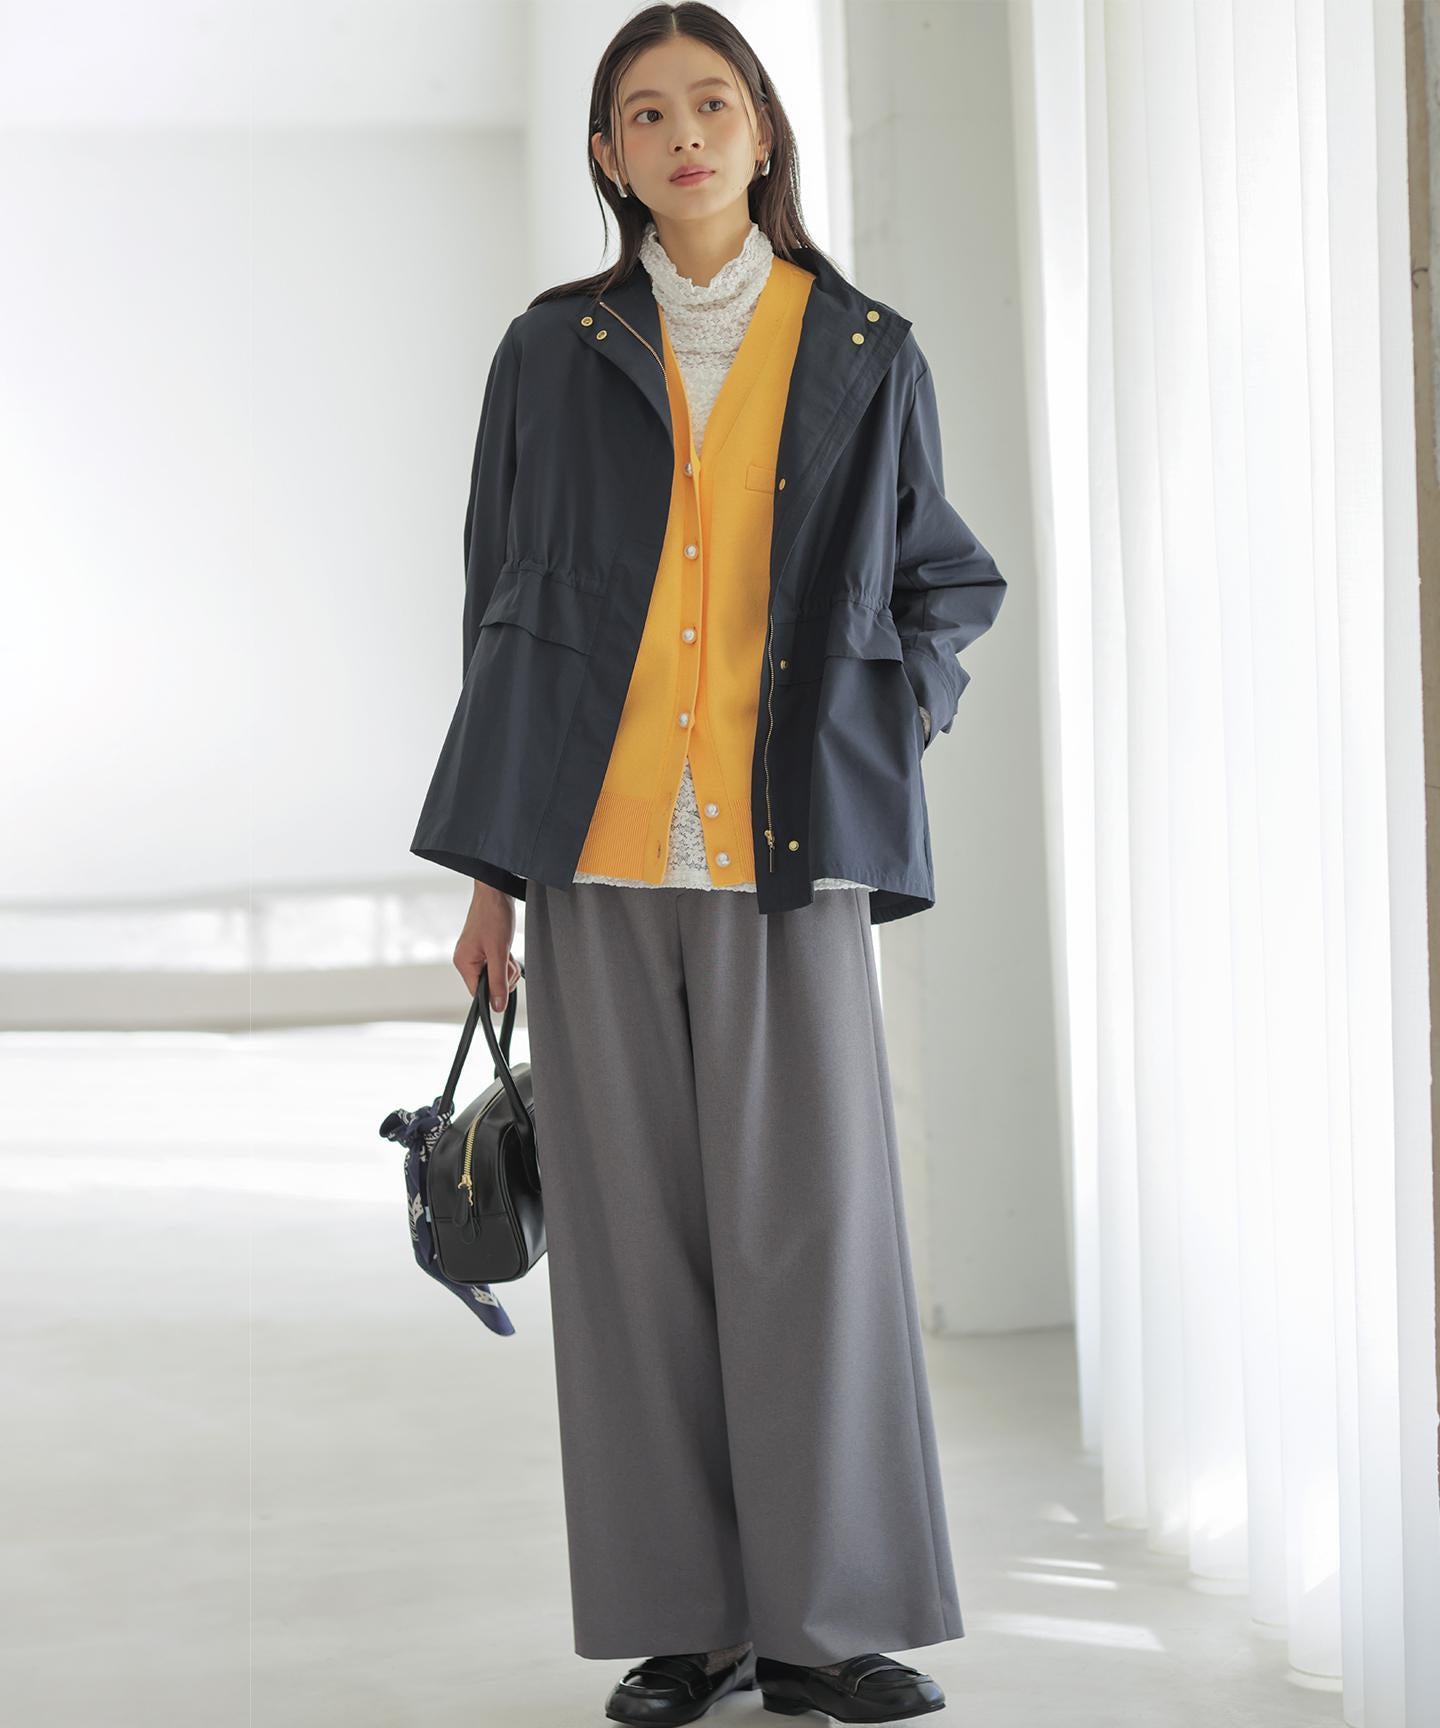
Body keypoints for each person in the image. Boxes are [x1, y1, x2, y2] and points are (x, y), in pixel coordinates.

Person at [411, 6, 1007, 1722]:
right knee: (629, 1254)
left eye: (713, 104)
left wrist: (880, 725)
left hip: (784, 865)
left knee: (810, 1242)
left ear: (763, 133)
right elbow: (500, 617)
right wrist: (490, 880)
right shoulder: (549, 354)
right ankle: (688, 1624)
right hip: (591, 863)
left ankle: (828, 1626)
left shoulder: (864, 349)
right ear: (608, 155)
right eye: (647, 114)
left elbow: (945, 585)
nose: (684, 136)